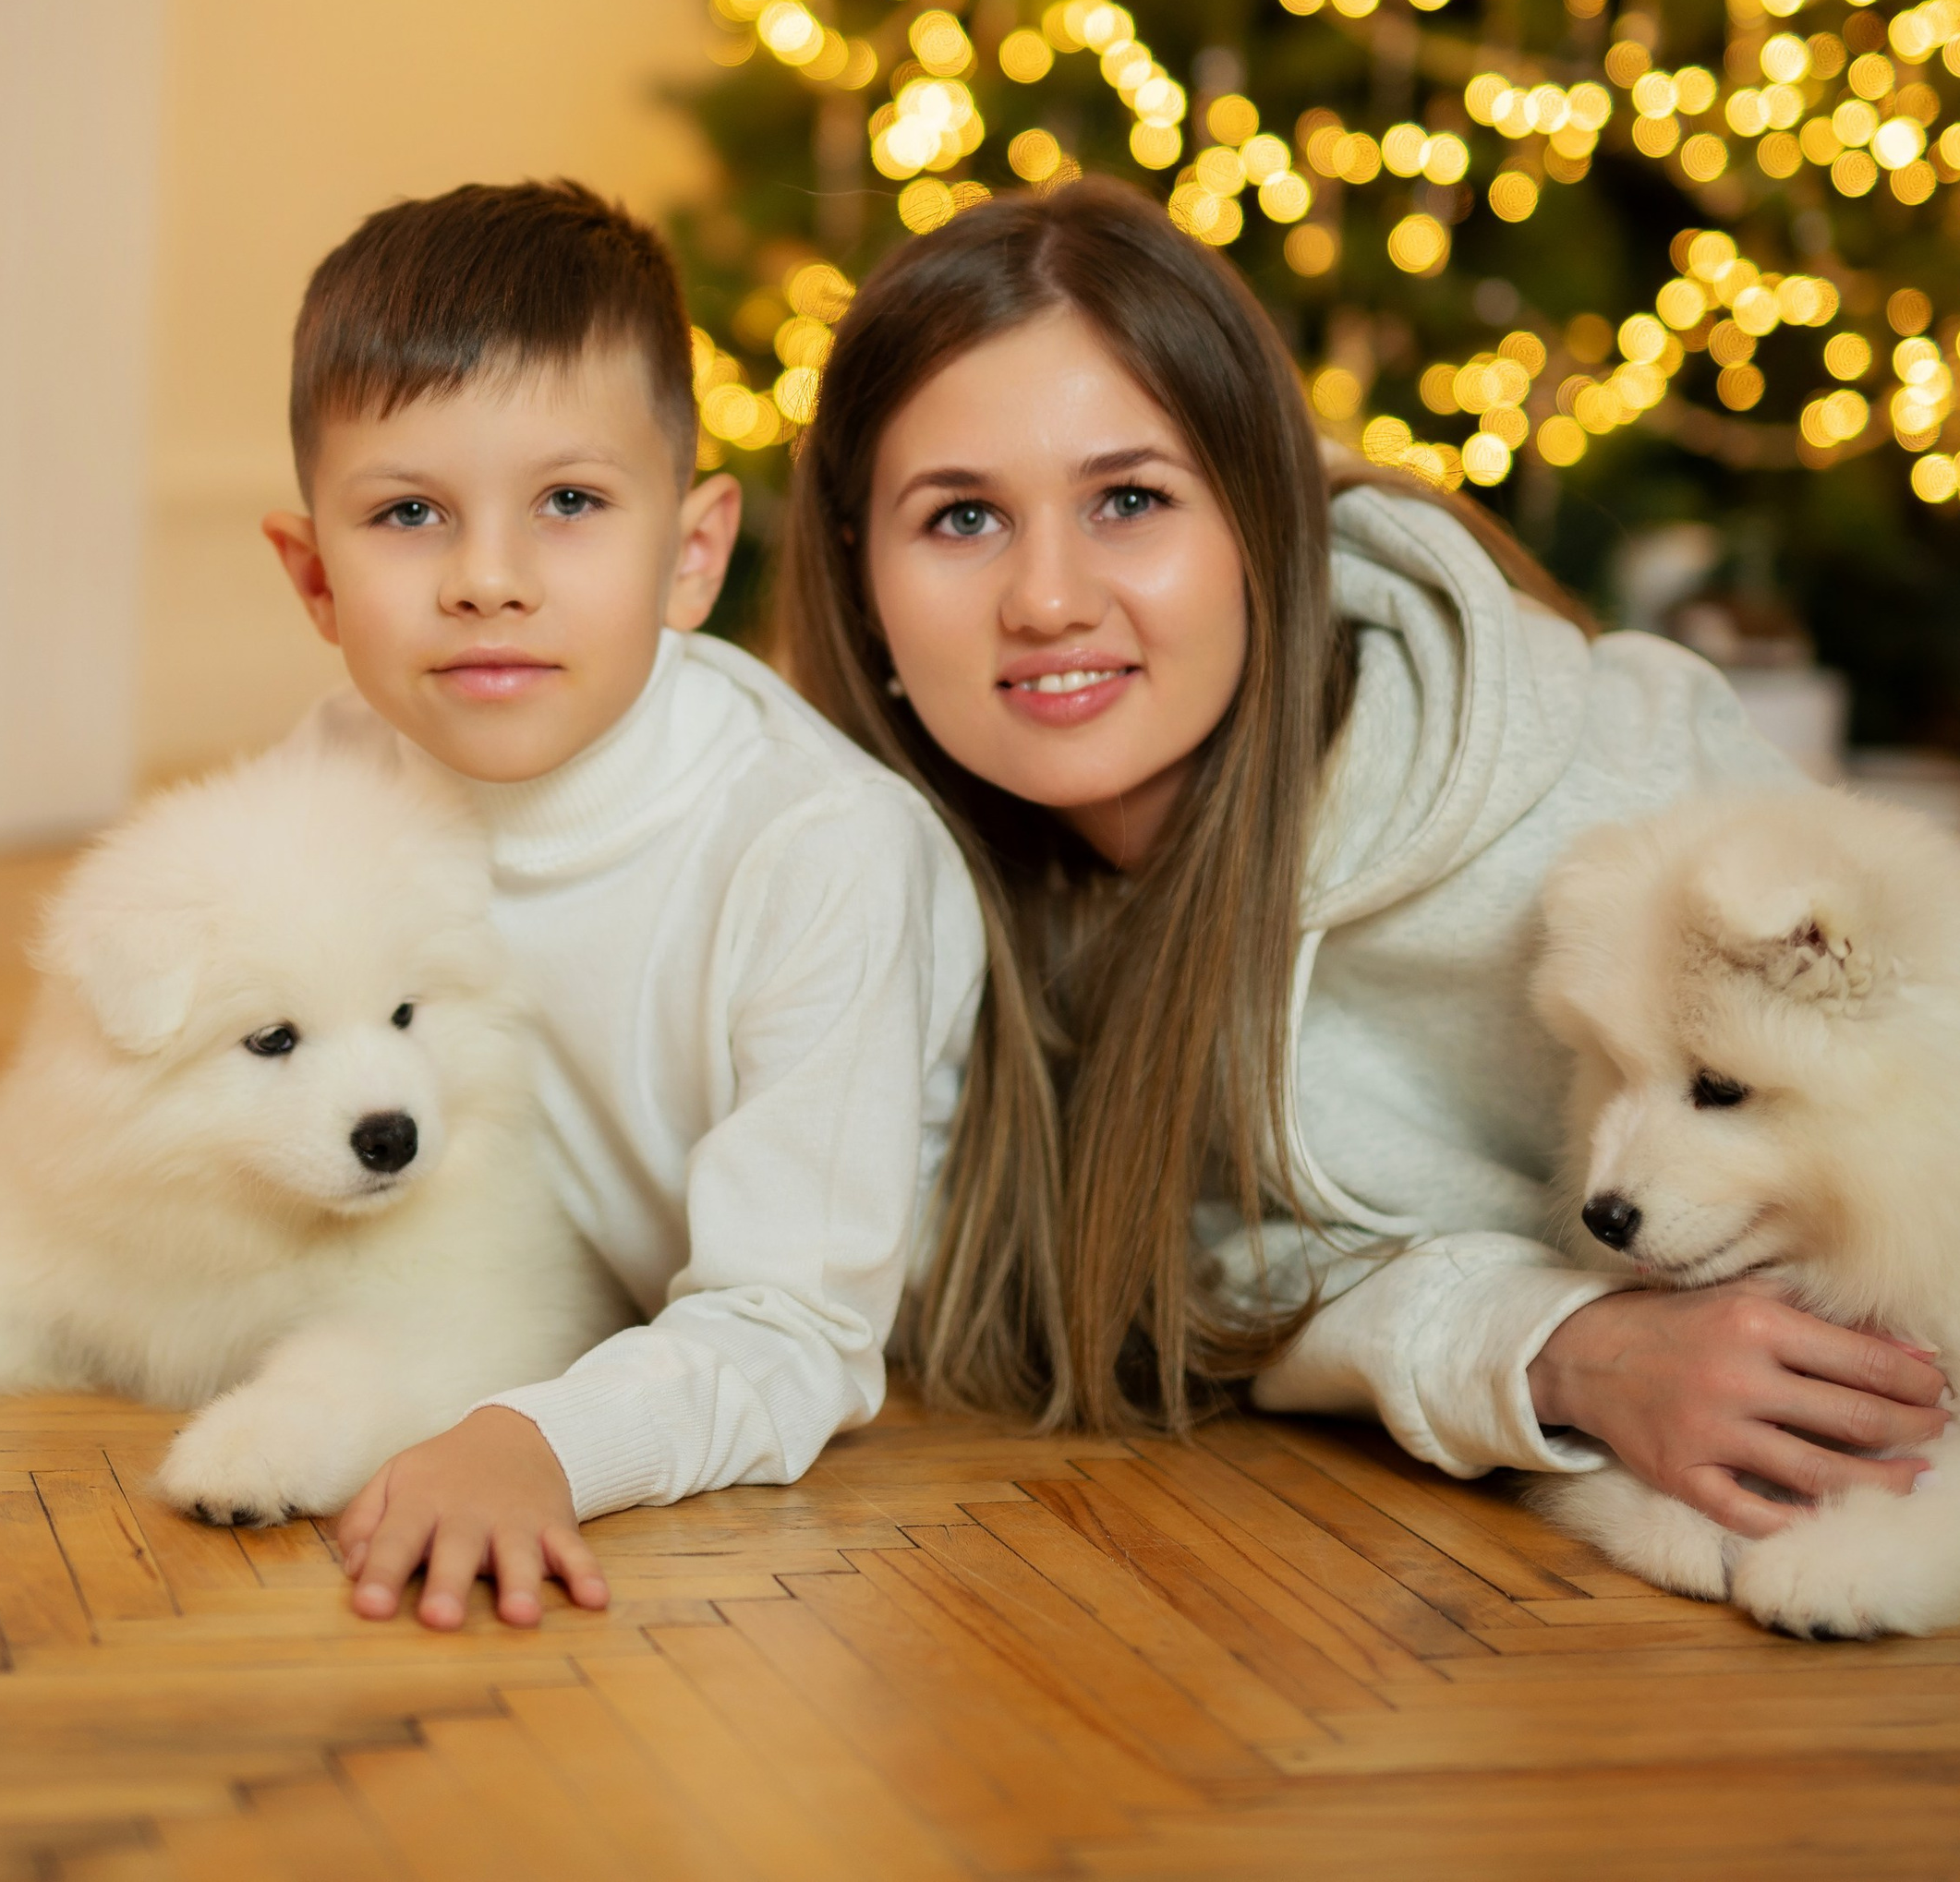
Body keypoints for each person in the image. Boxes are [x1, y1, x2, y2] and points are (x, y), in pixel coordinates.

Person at [780, 177, 1950, 1538]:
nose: (1046, 600)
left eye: (1131, 501)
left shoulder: (1601, 787)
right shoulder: (893, 890)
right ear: (862, 579)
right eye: (962, 518)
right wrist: (1559, 1346)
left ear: (1263, 527)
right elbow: (1231, 1280)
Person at [261, 179, 984, 1630]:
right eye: (409, 513)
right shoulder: (335, 769)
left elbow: (801, 1323)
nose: (487, 580)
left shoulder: (812, 845)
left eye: (570, 504)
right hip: (553, 1308)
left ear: (696, 554)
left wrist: (544, 1441)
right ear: (316, 578)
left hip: (884, 1342)